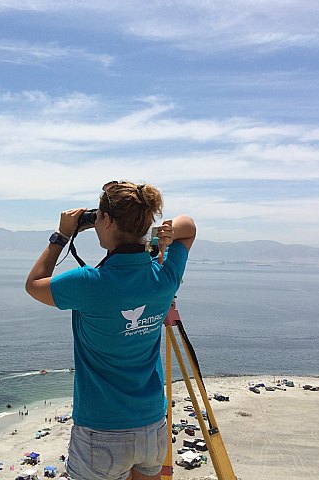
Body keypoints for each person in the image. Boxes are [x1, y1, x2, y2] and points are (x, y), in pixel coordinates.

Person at [25, 180, 196, 480]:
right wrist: (158, 237)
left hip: (101, 431)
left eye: (98, 217)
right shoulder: (164, 277)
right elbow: (189, 227)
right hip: (152, 426)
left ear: (105, 220)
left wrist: (61, 235)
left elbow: (34, 284)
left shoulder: (88, 282)